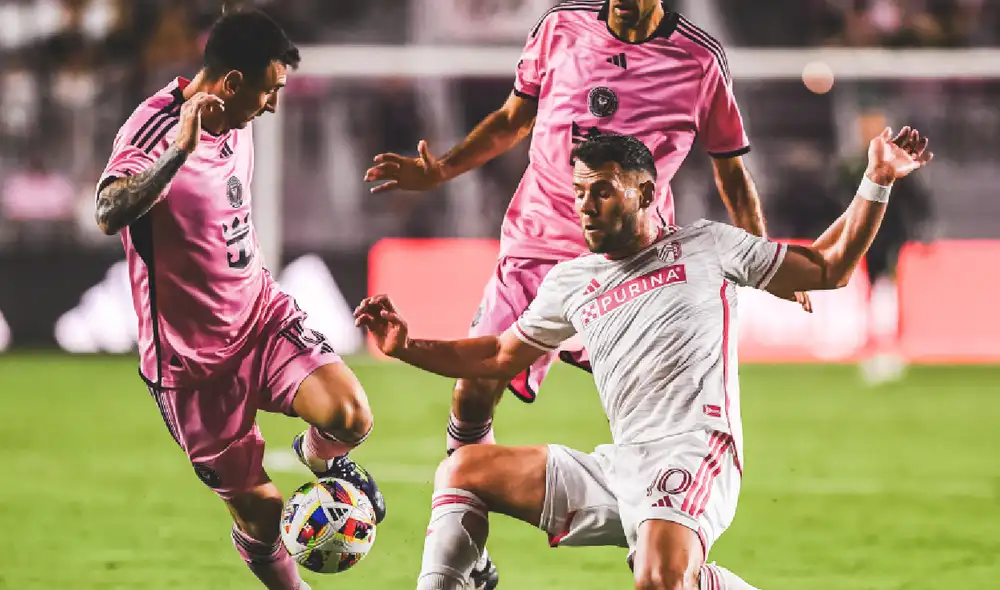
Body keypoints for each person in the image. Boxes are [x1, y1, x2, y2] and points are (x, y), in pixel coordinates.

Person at [356, 129, 932, 590]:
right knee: (463, 471)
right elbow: (500, 353)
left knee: (656, 580)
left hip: (695, 451)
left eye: (602, 190)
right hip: (621, 465)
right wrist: (407, 346)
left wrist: (876, 179)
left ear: (646, 193)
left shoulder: (707, 245)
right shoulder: (570, 281)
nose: (585, 206)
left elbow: (829, 267)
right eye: (579, 191)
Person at [364, 0, 809, 487]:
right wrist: (442, 170)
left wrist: (765, 260)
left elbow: (732, 172)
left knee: (660, 406)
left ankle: (668, 519)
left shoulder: (698, 60)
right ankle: (465, 533)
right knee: (473, 388)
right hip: (537, 242)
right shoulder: (560, 27)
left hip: (633, 262)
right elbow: (514, 118)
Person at [94, 9, 385, 589]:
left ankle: (321, 457)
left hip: (260, 318)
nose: (273, 103)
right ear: (231, 84)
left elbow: (233, 19)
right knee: (263, 514)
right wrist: (178, 154)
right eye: (270, 90)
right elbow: (107, 211)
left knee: (351, 414)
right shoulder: (154, 131)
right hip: (191, 367)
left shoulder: (235, 107)